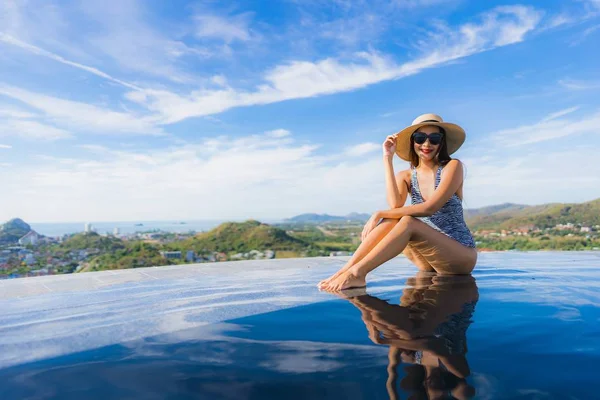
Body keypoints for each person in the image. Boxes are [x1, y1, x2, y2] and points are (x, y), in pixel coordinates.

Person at [318, 113, 477, 291]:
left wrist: (378, 213)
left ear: (442, 143)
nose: (426, 144)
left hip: (459, 255)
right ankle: (345, 270)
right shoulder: (407, 176)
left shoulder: (452, 167)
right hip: (428, 260)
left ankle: (357, 274)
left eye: (434, 138)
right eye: (420, 138)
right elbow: (395, 207)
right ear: (413, 142)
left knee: (407, 221)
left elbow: (430, 208)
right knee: (395, 219)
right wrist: (387, 158)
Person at [346, 273, 479, 399]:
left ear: (425, 388)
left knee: (397, 334)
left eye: (433, 395)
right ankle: (356, 295)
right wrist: (382, 341)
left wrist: (369, 323)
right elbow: (433, 345)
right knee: (405, 335)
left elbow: (392, 372)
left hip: (421, 313)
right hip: (453, 304)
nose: (439, 389)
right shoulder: (458, 371)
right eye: (443, 397)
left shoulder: (412, 357)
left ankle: (355, 296)